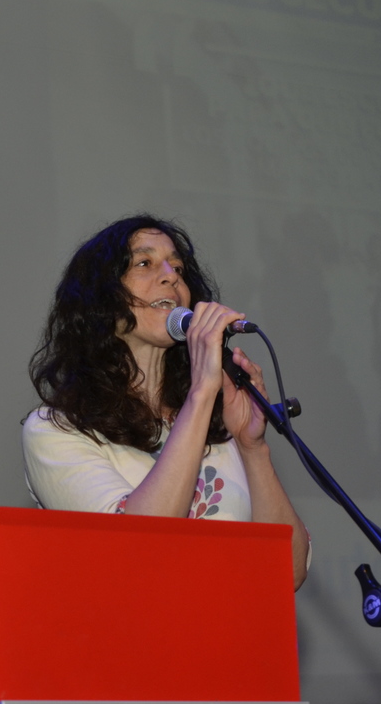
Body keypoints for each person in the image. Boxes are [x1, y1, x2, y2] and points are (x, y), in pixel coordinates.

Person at [22, 215, 309, 589]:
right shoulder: (55, 430)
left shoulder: (217, 427)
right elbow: (138, 551)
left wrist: (252, 448)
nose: (171, 276)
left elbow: (287, 573)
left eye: (178, 267)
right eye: (144, 263)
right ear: (101, 300)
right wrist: (201, 394)